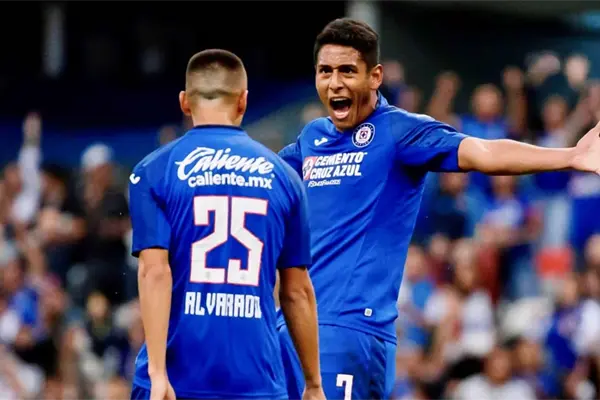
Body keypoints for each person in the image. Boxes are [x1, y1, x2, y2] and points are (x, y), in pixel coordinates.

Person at [277, 18, 600, 400]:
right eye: (325, 71)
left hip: (349, 333)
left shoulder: (399, 131)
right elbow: (263, 175)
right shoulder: (312, 137)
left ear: (375, 76)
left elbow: (483, 152)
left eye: (347, 70)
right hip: (288, 329)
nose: (334, 83)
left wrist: (569, 156)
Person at [128, 49, 324, 400]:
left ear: (184, 102)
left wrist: (158, 373)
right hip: (256, 381)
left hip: (177, 377)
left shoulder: (153, 170)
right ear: (243, 101)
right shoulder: (285, 178)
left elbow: (154, 271)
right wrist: (313, 384)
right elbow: (297, 291)